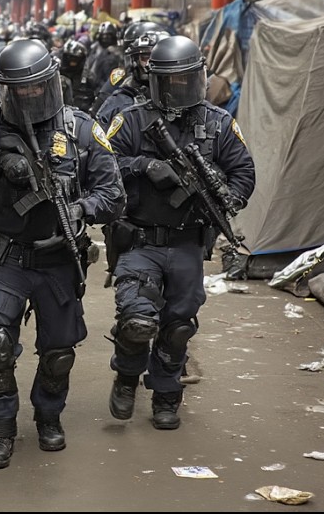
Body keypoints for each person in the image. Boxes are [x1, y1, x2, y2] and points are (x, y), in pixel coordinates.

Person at [0, 38, 125, 469]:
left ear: (49, 84)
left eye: (32, 89)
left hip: (60, 259)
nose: (24, 98)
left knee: (59, 352)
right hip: (7, 257)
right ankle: (1, 429)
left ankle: (48, 416)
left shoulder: (80, 128)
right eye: (15, 91)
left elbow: (113, 194)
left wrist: (80, 207)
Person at [104, 34, 254, 430]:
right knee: (137, 321)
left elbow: (244, 174)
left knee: (178, 328)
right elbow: (103, 166)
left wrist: (224, 200)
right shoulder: (133, 119)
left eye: (185, 80)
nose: (177, 89)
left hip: (188, 243)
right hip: (139, 239)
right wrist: (143, 167)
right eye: (169, 81)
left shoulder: (219, 123)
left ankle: (167, 394)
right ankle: (126, 376)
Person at [94, 22, 169, 125]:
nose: (149, 63)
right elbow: (99, 114)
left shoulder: (173, 81)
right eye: (145, 57)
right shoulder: (122, 79)